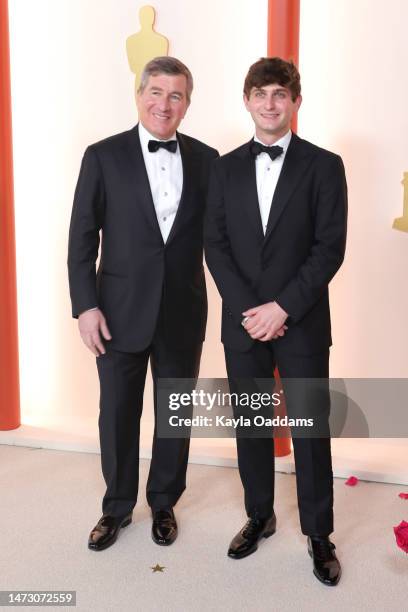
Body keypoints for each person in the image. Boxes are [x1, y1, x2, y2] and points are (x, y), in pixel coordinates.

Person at [205, 57, 347, 586]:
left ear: (295, 102)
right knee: (251, 424)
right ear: (247, 100)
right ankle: (259, 516)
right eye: (260, 94)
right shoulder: (222, 168)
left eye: (279, 95)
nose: (270, 103)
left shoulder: (325, 165)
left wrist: (283, 308)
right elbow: (215, 245)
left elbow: (329, 247)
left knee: (311, 430)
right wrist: (252, 313)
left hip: (302, 320)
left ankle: (319, 534)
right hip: (243, 322)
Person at [68, 56, 218, 551]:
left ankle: (164, 502)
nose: (164, 104)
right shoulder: (102, 156)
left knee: (175, 414)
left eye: (176, 96)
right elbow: (82, 238)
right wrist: (85, 306)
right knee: (116, 413)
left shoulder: (207, 160)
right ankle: (115, 508)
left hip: (182, 310)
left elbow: (221, 238)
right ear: (139, 96)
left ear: (187, 105)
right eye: (156, 92)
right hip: (116, 312)